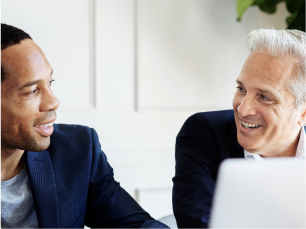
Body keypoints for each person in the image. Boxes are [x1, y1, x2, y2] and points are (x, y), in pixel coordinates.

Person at [0, 23, 169, 229]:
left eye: (50, 82)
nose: (53, 102)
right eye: (32, 90)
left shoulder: (77, 150)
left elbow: (137, 225)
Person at [172, 29, 306, 229]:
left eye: (264, 97)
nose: (243, 109)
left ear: (303, 112)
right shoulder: (203, 133)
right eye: (241, 89)